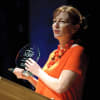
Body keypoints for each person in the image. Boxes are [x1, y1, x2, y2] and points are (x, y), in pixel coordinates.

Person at [13, 5, 88, 100]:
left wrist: (38, 71)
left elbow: (60, 87)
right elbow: (48, 89)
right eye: (54, 21)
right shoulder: (54, 53)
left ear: (75, 28)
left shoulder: (77, 51)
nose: (56, 25)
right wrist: (30, 78)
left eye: (61, 21)